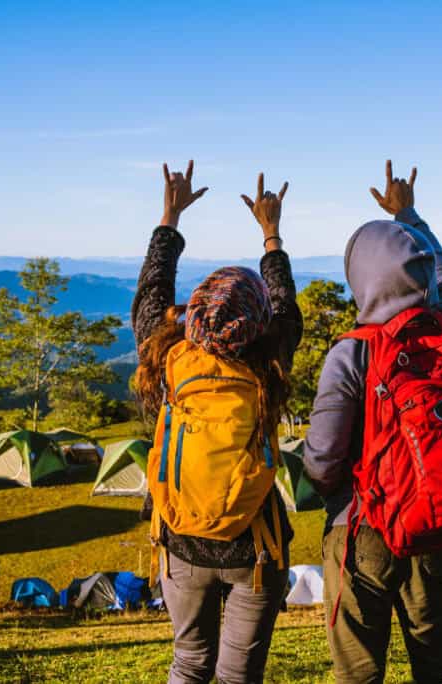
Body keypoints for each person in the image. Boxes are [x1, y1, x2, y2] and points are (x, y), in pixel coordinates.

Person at [303, 161, 442, 684]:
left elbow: (322, 460)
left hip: (363, 529)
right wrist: (410, 217)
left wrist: (336, 495)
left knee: (359, 673)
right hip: (436, 524)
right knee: (439, 669)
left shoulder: (351, 354)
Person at [132, 161, 302, 684]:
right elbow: (286, 306)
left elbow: (152, 293)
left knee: (188, 663)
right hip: (256, 547)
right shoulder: (269, 364)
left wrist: (170, 216)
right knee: (237, 676)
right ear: (259, 322)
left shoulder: (165, 357)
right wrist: (271, 233)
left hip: (180, 541)